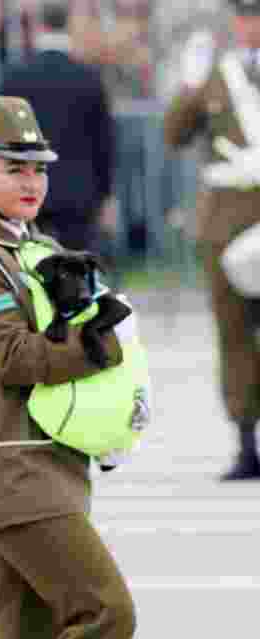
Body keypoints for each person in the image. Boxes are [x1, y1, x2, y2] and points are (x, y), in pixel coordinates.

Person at [0, 96, 137, 639]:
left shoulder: (34, 249)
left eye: (39, 169)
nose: (31, 182)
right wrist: (98, 349)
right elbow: (13, 357)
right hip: (11, 468)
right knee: (105, 613)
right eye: (13, 168)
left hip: (45, 463)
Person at [163, 0, 260, 480]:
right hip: (228, 219)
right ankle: (246, 441)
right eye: (245, 16)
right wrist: (189, 85)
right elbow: (174, 134)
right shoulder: (217, 78)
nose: (250, 25)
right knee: (234, 331)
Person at [0, 1, 117, 258]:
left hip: (25, 189)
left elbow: (2, 141)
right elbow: (104, 143)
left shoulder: (15, 79)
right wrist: (106, 193)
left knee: (28, 272)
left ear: (38, 26)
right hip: (79, 194)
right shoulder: (89, 79)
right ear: (69, 24)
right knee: (76, 279)